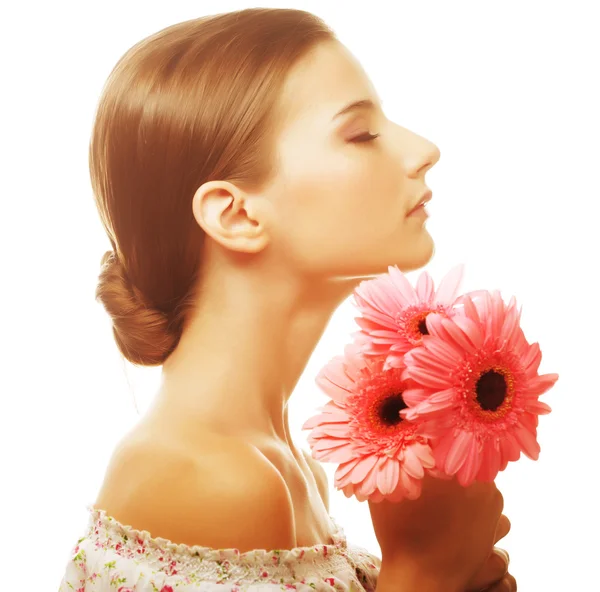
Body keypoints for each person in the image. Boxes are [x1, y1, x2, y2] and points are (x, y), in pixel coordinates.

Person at [58, 7, 515, 592]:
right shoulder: (205, 479)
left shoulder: (286, 467)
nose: (424, 149)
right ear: (238, 214)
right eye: (362, 134)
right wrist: (426, 572)